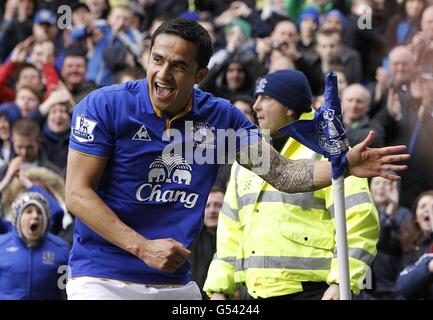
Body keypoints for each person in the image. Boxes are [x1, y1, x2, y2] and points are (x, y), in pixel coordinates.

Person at [65, 18, 409, 300]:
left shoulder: (221, 118)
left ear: (200, 74)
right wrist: (142, 248)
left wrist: (343, 165)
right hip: (101, 278)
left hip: (174, 284)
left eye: (178, 66)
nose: (163, 74)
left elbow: (284, 174)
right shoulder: (103, 106)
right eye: (157, 60)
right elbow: (77, 195)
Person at [203, 70, 380, 300]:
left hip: (314, 293)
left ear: (290, 106)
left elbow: (359, 221)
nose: (256, 106)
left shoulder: (331, 151)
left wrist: (341, 282)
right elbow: (230, 231)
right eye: (256, 98)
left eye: (266, 98)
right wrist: (219, 288)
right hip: (252, 295)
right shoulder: (247, 156)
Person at [0, 192, 69, 299]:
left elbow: (66, 291)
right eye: (28, 211)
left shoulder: (61, 249)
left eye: (40, 212)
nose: (35, 216)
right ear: (17, 218)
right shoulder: (1, 245)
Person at [189, 186, 224, 299]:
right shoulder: (190, 238)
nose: (212, 210)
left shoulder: (236, 240)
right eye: (207, 205)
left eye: (218, 205)